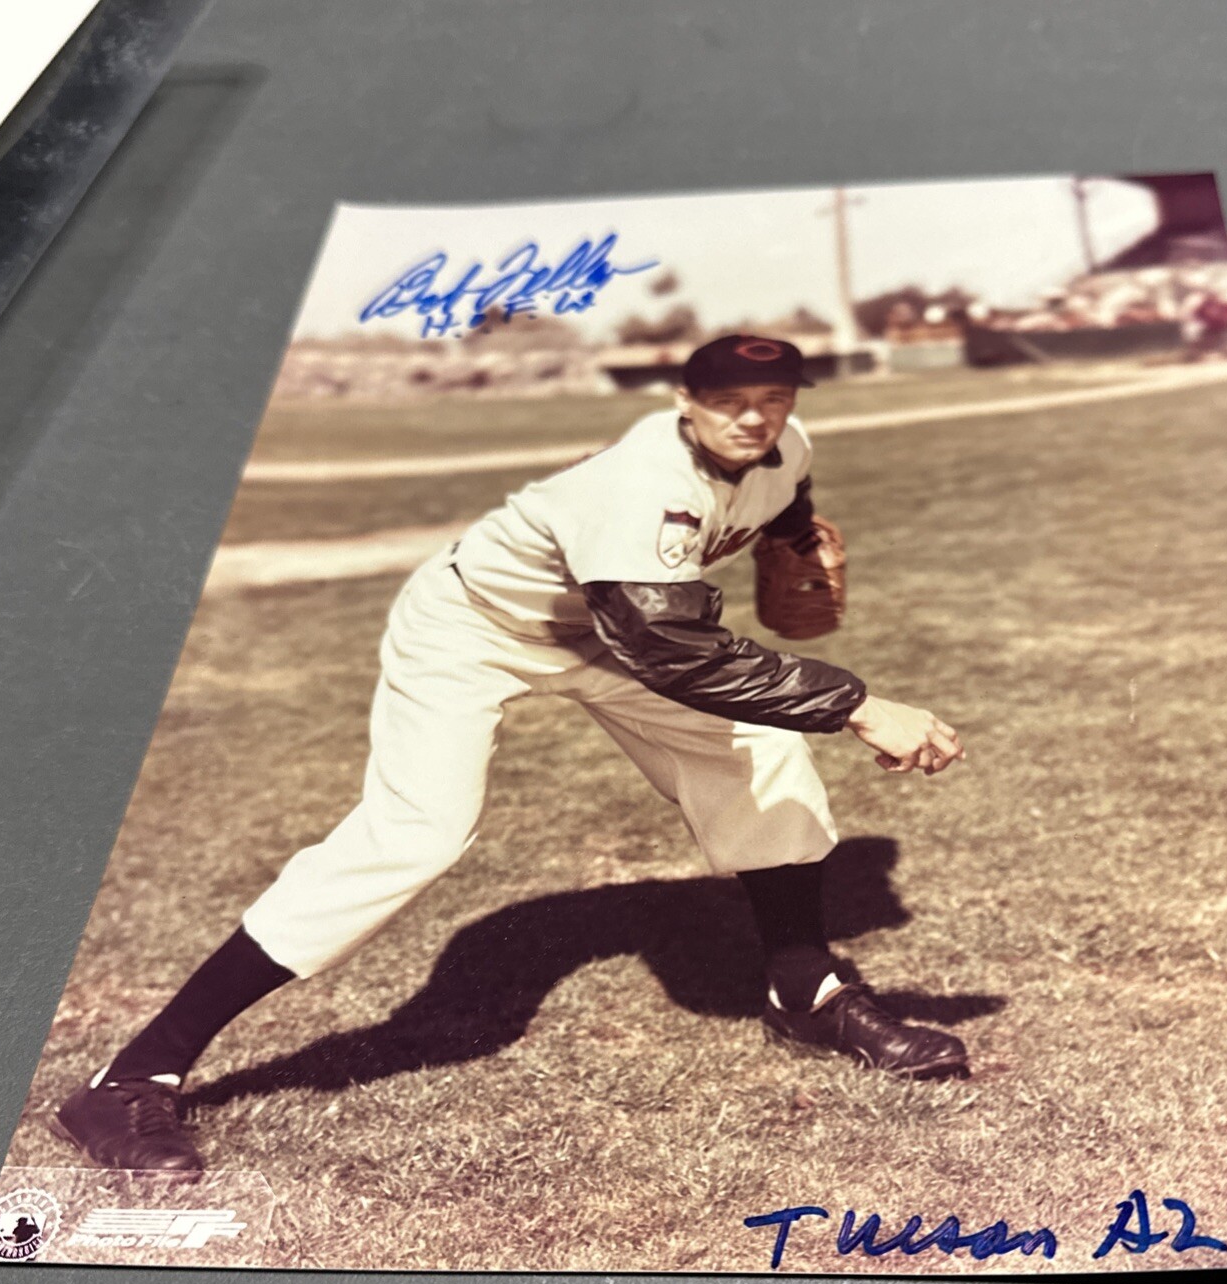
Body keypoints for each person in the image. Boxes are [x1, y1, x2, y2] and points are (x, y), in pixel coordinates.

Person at [55, 334, 969, 1175]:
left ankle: (805, 992)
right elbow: (673, 652)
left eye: (773, 395)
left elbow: (785, 497)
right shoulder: (640, 482)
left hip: (607, 635)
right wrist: (856, 704)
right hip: (476, 628)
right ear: (684, 400)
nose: (754, 416)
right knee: (414, 834)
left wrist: (790, 537)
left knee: (760, 755)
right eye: (730, 398)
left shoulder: (786, 444)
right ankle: (130, 1082)